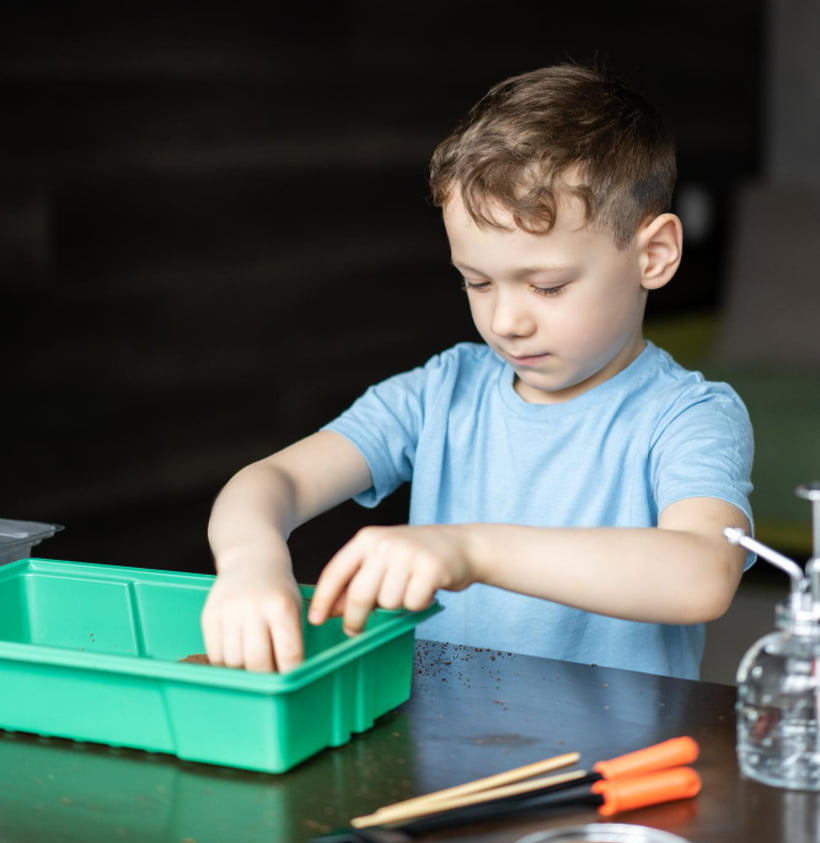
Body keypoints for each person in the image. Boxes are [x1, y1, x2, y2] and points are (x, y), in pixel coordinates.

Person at [202, 63, 754, 680]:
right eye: (478, 282)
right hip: (443, 750)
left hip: (614, 767)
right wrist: (252, 563)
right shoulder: (442, 392)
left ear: (653, 255)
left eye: (547, 286)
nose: (506, 321)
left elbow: (701, 574)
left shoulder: (688, 415)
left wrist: (469, 549)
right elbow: (268, 482)